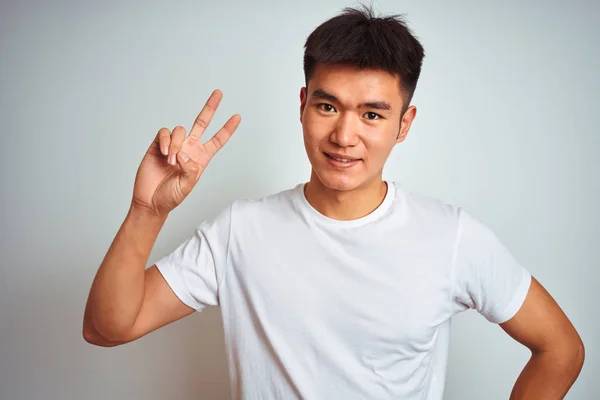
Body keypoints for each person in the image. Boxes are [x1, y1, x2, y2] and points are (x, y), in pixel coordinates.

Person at [83, 5, 585, 399]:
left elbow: (561, 348)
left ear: (403, 125)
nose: (345, 135)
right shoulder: (241, 231)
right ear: (303, 107)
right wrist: (147, 212)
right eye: (328, 106)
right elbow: (109, 327)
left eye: (372, 114)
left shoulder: (451, 237)